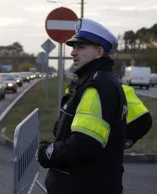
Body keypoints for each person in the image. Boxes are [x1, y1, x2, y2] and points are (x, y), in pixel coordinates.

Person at [37, 18, 128, 194]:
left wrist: (47, 152)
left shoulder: (96, 87)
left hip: (82, 186)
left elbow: (82, 145)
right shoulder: (102, 81)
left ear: (99, 51)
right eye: (73, 47)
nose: (73, 53)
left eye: (81, 47)